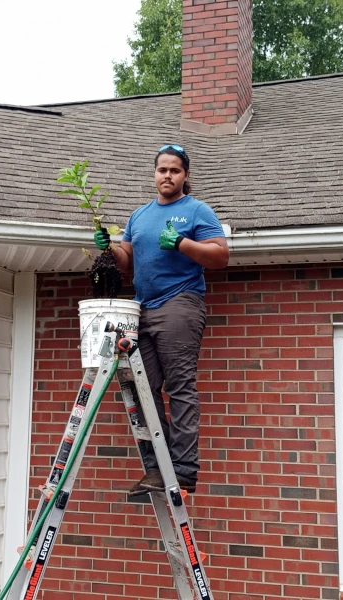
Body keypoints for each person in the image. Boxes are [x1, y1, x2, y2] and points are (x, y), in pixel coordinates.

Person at [94, 144, 229, 495]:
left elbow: (220, 256)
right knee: (142, 387)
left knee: (179, 387)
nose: (167, 175)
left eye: (175, 170)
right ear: (154, 173)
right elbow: (128, 264)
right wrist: (110, 246)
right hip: (141, 308)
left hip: (179, 303)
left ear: (185, 176)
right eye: (162, 169)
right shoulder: (139, 216)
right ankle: (160, 466)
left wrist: (183, 243)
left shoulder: (196, 210)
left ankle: (183, 469)